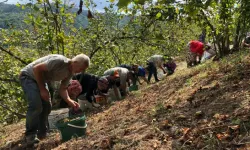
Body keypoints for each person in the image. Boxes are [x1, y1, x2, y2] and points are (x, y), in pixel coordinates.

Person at [19, 54, 90, 145]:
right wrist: (42, 89)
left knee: (47, 106)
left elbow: (63, 89)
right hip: (28, 76)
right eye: (81, 68)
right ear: (75, 62)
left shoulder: (70, 73)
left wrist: (69, 101)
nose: (81, 71)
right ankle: (30, 135)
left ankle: (42, 132)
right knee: (36, 105)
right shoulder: (59, 61)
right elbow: (37, 69)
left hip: (41, 79)